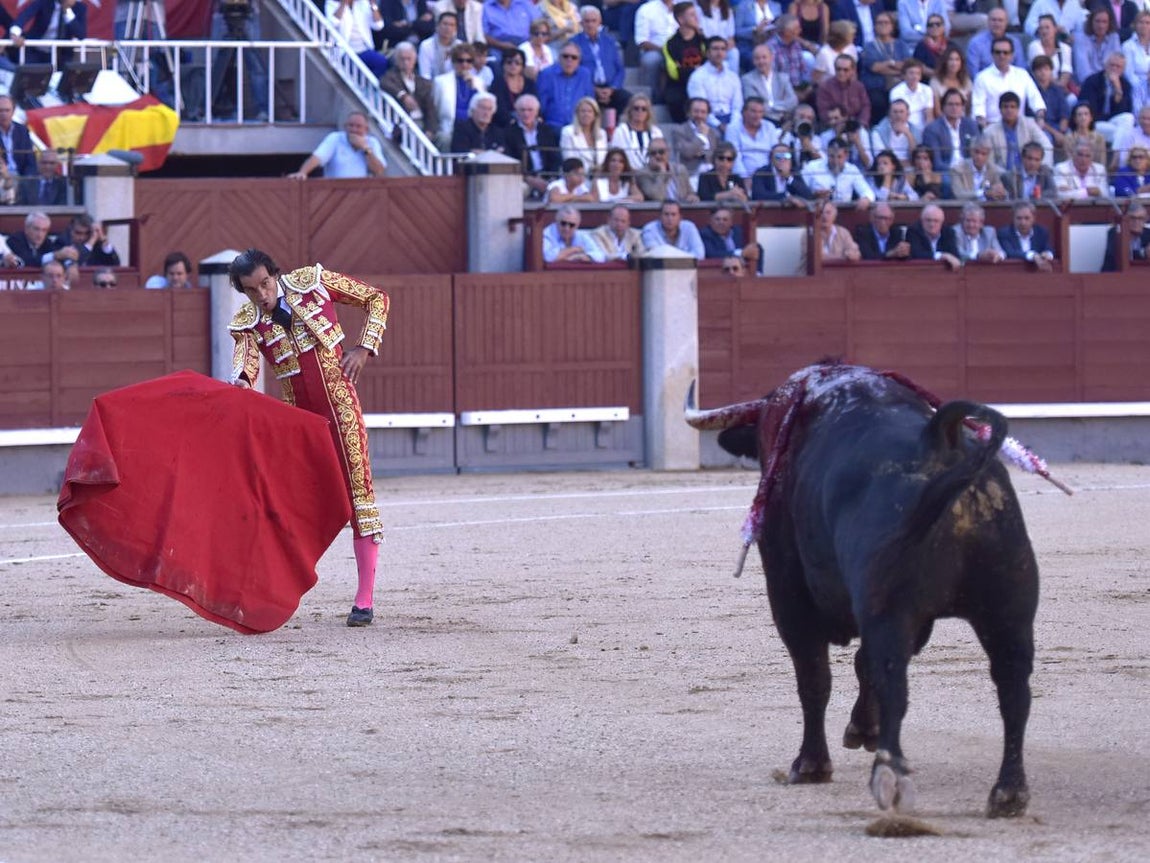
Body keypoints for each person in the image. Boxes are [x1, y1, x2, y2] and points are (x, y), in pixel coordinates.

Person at [227, 248, 388, 627]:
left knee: (359, 497)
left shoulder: (312, 283)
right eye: (251, 291)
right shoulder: (247, 322)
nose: (262, 295)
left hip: (341, 407)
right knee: (285, 504)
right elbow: (245, 361)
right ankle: (271, 588)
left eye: (265, 284)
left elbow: (375, 298)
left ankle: (364, 600)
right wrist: (241, 382)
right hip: (299, 422)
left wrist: (365, 347)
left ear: (275, 275)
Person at [972, 38, 1047, 128]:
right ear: (992, 54)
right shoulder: (982, 78)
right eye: (998, 52)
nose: (1002, 56)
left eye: (1005, 52)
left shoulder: (1022, 74)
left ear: (1012, 55)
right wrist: (985, 129)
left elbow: (1036, 100)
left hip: (1020, 126)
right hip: (992, 127)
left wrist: (1040, 118)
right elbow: (978, 108)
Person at [571, 7, 630, 121]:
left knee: (629, 99)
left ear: (599, 22)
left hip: (610, 87)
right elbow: (574, 70)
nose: (590, 24)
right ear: (581, 23)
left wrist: (612, 89)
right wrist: (594, 89)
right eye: (587, 21)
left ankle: (612, 128)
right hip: (587, 88)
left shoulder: (609, 41)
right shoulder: (575, 43)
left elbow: (620, 69)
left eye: (594, 21)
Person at [289, 111, 386, 179]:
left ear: (366, 130)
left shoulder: (373, 142)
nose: (354, 130)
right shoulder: (335, 138)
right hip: (336, 194)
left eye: (358, 126)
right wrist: (303, 172)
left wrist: (365, 149)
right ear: (345, 127)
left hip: (362, 195)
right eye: (350, 125)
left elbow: (379, 171)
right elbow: (317, 157)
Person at [983, 91, 1054, 176]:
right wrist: (1006, 175)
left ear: (1018, 109)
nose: (1009, 110)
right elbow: (988, 162)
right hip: (1002, 176)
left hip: (1029, 174)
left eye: (1013, 107)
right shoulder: (989, 132)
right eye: (1005, 107)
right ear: (1000, 109)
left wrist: (1041, 168)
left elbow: (1047, 146)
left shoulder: (1029, 124)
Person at [505, 93, 561, 198]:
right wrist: (528, 178)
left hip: (548, 177)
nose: (526, 114)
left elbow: (556, 158)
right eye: (522, 110)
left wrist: (552, 178)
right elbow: (510, 161)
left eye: (530, 110)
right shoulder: (509, 133)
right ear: (516, 112)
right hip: (523, 179)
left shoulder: (547, 131)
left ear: (536, 112)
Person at [433, 43, 489, 149]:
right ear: (453, 62)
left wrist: (473, 87)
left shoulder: (479, 83)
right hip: (450, 127)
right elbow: (435, 107)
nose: (464, 65)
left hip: (472, 128)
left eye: (469, 61)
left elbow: (483, 106)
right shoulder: (440, 81)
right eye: (460, 60)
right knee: (445, 138)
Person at [1077, 51, 1136, 147]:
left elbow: (1124, 112)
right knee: (1124, 134)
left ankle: (1116, 156)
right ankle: (1118, 159)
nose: (1114, 69)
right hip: (1094, 123)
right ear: (1105, 65)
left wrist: (1118, 89)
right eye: (1112, 65)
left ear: (1123, 70)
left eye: (1118, 66)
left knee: (1129, 118)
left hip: (1113, 123)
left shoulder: (1125, 85)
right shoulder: (1092, 81)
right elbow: (1089, 109)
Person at [381, 42, 440, 139]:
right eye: (402, 59)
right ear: (396, 60)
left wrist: (430, 130)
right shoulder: (390, 77)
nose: (405, 62)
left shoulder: (423, 82)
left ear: (415, 60)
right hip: (403, 123)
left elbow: (430, 109)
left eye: (409, 59)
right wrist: (403, 96)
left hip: (421, 122)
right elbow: (384, 82)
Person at [687, 37, 744, 134]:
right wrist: (719, 125)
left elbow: (737, 107)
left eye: (723, 49)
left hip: (731, 120)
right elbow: (700, 109)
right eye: (715, 49)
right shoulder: (697, 77)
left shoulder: (733, 77)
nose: (719, 53)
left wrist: (732, 126)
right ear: (707, 53)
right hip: (707, 121)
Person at [663, 1, 708, 123]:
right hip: (679, 84)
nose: (696, 18)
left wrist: (686, 69)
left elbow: (708, 65)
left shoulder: (703, 40)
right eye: (692, 15)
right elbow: (674, 72)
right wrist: (695, 69)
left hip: (704, 82)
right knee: (674, 98)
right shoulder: (670, 43)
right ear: (681, 19)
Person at [801, 135, 875, 208]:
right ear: (827, 153)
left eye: (839, 157)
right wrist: (813, 195)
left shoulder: (852, 170)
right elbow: (798, 188)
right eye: (832, 156)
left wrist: (865, 199)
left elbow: (868, 192)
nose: (835, 161)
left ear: (846, 155)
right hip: (817, 211)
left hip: (843, 214)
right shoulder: (812, 166)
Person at [537, 42, 595, 131]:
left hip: (578, 126)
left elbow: (589, 102)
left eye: (574, 57)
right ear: (559, 58)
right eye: (565, 56)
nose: (569, 60)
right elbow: (541, 104)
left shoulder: (585, 75)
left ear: (579, 61)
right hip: (552, 126)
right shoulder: (547, 74)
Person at [9, 0, 87, 65]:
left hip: (60, 55)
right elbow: (24, 17)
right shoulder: (44, 2)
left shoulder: (80, 8)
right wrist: (15, 34)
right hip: (35, 51)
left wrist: (67, 10)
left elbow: (81, 35)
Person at [326, 0, 390, 79]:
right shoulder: (331, 3)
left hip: (364, 49)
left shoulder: (363, 3)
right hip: (344, 52)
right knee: (354, 72)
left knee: (381, 62)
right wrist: (343, 4)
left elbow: (378, 25)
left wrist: (373, 5)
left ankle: (367, 88)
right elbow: (332, 23)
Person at [741, 43, 799, 126]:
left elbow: (793, 101)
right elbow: (754, 106)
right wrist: (781, 107)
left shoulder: (783, 78)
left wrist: (771, 106)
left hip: (784, 120)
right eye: (757, 58)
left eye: (764, 57)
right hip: (762, 120)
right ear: (753, 61)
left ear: (772, 58)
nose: (761, 61)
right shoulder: (747, 79)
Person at [726, 96, 779, 177]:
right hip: (742, 176)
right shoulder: (733, 128)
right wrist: (745, 178)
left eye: (760, 112)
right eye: (753, 111)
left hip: (768, 176)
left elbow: (775, 153)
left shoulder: (769, 127)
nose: (757, 116)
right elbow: (735, 158)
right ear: (744, 112)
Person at [44, 213, 120, 269]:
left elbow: (116, 264)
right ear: (71, 230)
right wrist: (91, 242)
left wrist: (103, 241)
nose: (82, 237)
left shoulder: (96, 244)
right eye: (78, 233)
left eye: (87, 233)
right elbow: (78, 260)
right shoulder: (62, 242)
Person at [635, 0, 679, 96]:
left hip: (680, 49)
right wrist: (665, 51)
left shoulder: (681, 7)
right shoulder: (646, 9)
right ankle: (651, 98)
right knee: (650, 60)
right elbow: (641, 41)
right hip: (656, 50)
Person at [1031, 55, 1072, 156]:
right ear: (1034, 72)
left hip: (1057, 126)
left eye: (1046, 69)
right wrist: (1055, 133)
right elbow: (1036, 119)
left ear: (1051, 71)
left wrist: (1062, 131)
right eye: (1039, 69)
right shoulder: (1031, 90)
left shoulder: (1057, 90)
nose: (1043, 72)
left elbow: (1064, 113)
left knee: (1071, 137)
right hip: (1040, 127)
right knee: (1046, 139)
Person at [610, 93, 665, 168]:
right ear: (630, 110)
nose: (640, 111)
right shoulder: (621, 131)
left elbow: (662, 155)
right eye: (636, 108)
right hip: (629, 174)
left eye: (644, 109)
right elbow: (616, 155)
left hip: (652, 175)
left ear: (648, 113)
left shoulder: (656, 132)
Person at [997, 200, 1056, 270]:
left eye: (1027, 218)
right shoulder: (1005, 233)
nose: (1023, 223)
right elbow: (1010, 252)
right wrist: (1033, 256)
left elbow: (1048, 248)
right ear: (1013, 218)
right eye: (1019, 218)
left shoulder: (1041, 232)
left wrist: (1047, 254)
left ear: (1034, 218)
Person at [670, 97, 721, 177]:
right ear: (689, 113)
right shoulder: (679, 131)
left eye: (703, 112)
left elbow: (716, 155)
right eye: (696, 111)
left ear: (707, 114)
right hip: (690, 175)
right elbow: (687, 152)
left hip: (712, 175)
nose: (699, 115)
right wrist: (701, 137)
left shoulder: (713, 133)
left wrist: (698, 152)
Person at [966, 8, 1024, 77]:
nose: (997, 23)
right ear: (988, 22)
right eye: (993, 20)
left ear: (1006, 23)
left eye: (1000, 20)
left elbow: (1021, 68)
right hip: (985, 84)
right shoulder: (976, 43)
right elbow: (973, 72)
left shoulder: (1015, 42)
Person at [951, 135, 1010, 201]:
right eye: (976, 152)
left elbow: (1003, 193)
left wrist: (999, 193)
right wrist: (983, 193)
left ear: (988, 155)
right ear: (971, 151)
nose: (979, 157)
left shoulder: (995, 170)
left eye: (983, 154)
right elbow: (959, 194)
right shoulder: (957, 169)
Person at [815, 54, 870, 127]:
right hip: (833, 126)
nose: (841, 73)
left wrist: (861, 123)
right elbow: (823, 111)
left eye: (845, 70)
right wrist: (833, 117)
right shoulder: (825, 87)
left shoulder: (859, 87)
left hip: (856, 125)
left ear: (852, 70)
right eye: (838, 69)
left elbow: (865, 106)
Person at [489, 47, 537, 127]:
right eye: (509, 62)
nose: (513, 65)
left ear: (522, 66)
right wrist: (513, 121)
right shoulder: (497, 83)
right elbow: (499, 109)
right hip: (504, 124)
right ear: (503, 64)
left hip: (528, 120)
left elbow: (535, 103)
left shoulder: (529, 83)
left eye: (517, 63)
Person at [1027, 14, 1075, 92]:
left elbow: (1066, 71)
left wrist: (1061, 85)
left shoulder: (1065, 48)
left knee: (1072, 99)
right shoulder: (1034, 46)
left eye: (1047, 27)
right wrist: (1058, 86)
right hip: (1039, 87)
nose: (1044, 31)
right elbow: (1043, 71)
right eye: (1041, 28)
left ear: (1055, 29)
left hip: (1060, 87)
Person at [640, 200, 706, 257]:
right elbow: (657, 256)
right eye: (666, 214)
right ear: (660, 216)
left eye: (673, 214)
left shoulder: (689, 227)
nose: (670, 219)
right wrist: (686, 256)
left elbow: (699, 254)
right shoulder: (650, 230)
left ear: (680, 217)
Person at [1054, 135, 1111, 200]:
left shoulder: (1099, 169)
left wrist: (1073, 192)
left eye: (1087, 156)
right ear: (1073, 154)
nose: (1083, 159)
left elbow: (1105, 193)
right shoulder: (1061, 168)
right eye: (1080, 155)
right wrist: (1088, 191)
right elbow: (1060, 195)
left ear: (1092, 157)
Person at [1074, 6, 1122, 84]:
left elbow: (1118, 65)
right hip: (1087, 84)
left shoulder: (1114, 38)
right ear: (1091, 22)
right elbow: (1083, 72)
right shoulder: (1081, 39)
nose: (1101, 26)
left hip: (1110, 83)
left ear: (1109, 23)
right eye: (1097, 21)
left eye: (1104, 22)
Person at [906, 202, 962, 269]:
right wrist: (941, 255)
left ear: (942, 222)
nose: (932, 224)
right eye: (928, 220)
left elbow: (954, 255)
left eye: (936, 221)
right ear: (922, 221)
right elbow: (916, 254)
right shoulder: (913, 231)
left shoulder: (948, 232)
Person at [542, 205, 607, 261]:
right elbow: (547, 258)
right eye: (563, 223)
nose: (567, 228)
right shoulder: (546, 234)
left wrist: (579, 257)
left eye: (571, 225)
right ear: (556, 221)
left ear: (577, 225)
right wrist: (574, 250)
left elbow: (600, 256)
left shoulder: (581, 235)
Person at [560, 96, 608, 171]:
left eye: (589, 111)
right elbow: (568, 160)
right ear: (577, 114)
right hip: (576, 177)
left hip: (599, 177)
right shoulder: (568, 132)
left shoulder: (602, 133)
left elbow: (604, 160)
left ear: (595, 115)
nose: (586, 114)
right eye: (583, 111)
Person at [1102, 202, 1150, 270]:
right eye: (1133, 218)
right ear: (1125, 219)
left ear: (1145, 219)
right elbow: (1118, 255)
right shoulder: (1115, 232)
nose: (1137, 222)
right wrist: (1143, 253)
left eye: (1141, 218)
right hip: (1114, 275)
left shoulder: (1148, 233)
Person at [869, 99, 919, 164]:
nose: (898, 115)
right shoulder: (878, 132)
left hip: (911, 169)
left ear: (908, 115)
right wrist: (905, 164)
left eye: (901, 112)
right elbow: (881, 158)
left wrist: (908, 135)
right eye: (895, 112)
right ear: (889, 114)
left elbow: (917, 157)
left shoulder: (915, 131)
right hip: (889, 170)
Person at [735, 0, 778, 74]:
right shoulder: (743, 6)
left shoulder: (776, 6)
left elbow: (779, 25)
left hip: (772, 43)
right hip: (749, 44)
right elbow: (737, 31)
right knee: (757, 58)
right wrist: (754, 29)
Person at [811, 18, 858, 86]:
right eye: (851, 35)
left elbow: (854, 73)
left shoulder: (851, 48)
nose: (854, 37)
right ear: (841, 38)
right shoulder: (824, 54)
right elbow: (816, 79)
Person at [888, 59, 933, 130]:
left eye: (917, 73)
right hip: (904, 127)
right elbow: (898, 116)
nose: (915, 76)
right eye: (911, 73)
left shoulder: (927, 90)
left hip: (923, 129)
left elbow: (928, 116)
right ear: (904, 75)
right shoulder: (896, 92)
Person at [0, 95, 37, 180]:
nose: (4, 114)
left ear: (13, 111)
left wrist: (27, 179)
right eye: (0, 110)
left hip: (21, 179)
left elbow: (30, 161)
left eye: (7, 110)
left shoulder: (22, 130)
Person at [930, 46, 972, 115]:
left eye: (957, 60)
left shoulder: (966, 81)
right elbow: (937, 111)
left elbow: (969, 108)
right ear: (945, 62)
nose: (954, 63)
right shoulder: (935, 82)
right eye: (950, 59)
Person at [419, 11, 462, 78]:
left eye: (452, 25)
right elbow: (425, 74)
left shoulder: (459, 46)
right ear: (438, 25)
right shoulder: (426, 45)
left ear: (456, 29)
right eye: (445, 24)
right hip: (431, 85)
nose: (448, 28)